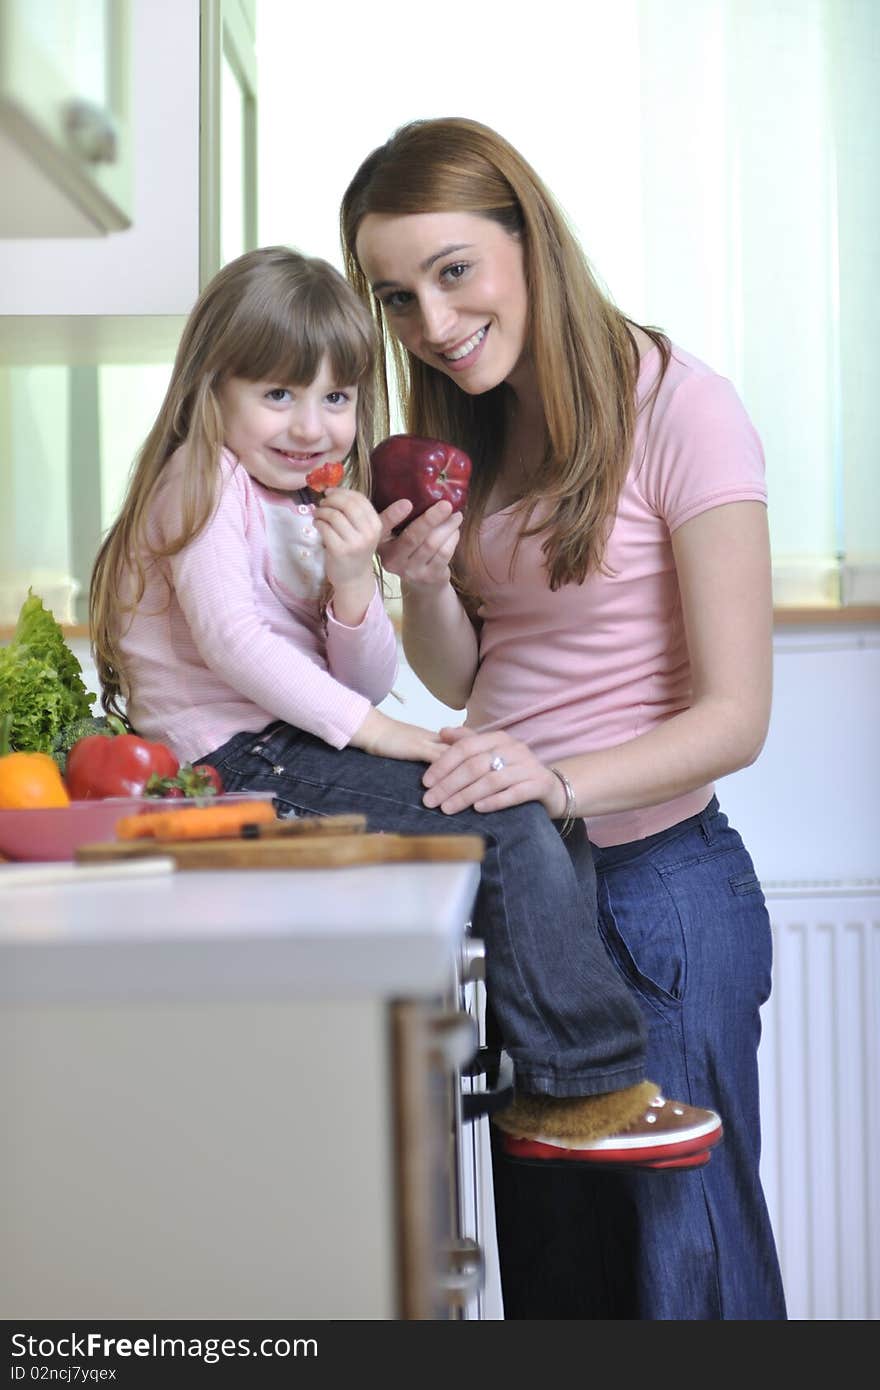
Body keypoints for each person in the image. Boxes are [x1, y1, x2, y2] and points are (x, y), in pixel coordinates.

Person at [88, 245, 719, 1174]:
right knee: (499, 816)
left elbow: (365, 677)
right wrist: (393, 739)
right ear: (209, 391)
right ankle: (583, 1089)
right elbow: (237, 646)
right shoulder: (202, 478)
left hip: (287, 745)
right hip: (224, 760)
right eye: (277, 395)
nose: (311, 426)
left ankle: (546, 1079)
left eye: (336, 398)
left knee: (529, 807)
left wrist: (352, 584)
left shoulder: (306, 504)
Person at [339, 117, 787, 1319]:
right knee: (561, 1288)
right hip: (533, 894)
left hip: (655, 898)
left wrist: (554, 779)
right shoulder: (466, 432)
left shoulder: (683, 407)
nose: (430, 323)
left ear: (526, 239)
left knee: (685, 1277)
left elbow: (738, 714)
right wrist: (423, 579)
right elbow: (464, 675)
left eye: (452, 273)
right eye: (396, 297)